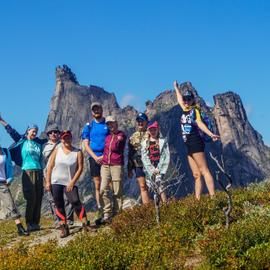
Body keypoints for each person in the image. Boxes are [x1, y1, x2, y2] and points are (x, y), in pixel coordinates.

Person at [174, 80, 220, 200]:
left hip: (195, 142)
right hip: (188, 145)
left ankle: (213, 197)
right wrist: (176, 88)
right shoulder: (185, 109)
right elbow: (179, 99)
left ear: (193, 99)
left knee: (204, 170)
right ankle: (197, 201)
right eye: (185, 99)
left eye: (189, 99)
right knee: (196, 175)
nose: (186, 101)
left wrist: (211, 134)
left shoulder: (195, 111)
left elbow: (199, 124)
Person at [0, 115, 46, 232]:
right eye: (32, 131)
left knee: (39, 196)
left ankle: (36, 223)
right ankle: (29, 222)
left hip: (39, 170)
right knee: (31, 197)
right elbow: (11, 131)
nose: (34, 133)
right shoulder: (21, 140)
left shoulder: (38, 142)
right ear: (27, 131)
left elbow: (51, 139)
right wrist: (2, 121)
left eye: (36, 131)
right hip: (27, 170)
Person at [46, 130, 94, 238]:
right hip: (56, 181)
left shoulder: (78, 152)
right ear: (61, 139)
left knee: (75, 201)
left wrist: (72, 181)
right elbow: (50, 166)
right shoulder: (57, 150)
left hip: (69, 182)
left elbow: (80, 168)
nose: (66, 140)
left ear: (71, 138)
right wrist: (48, 182)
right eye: (64, 138)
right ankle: (64, 227)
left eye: (68, 137)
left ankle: (86, 224)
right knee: (59, 204)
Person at [81, 102, 109, 222]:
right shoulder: (89, 126)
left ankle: (110, 209)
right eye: (94, 110)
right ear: (92, 113)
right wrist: (95, 157)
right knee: (97, 185)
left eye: (98, 109)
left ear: (102, 110)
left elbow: (110, 141)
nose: (96, 111)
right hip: (94, 158)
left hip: (107, 157)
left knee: (108, 184)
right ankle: (100, 209)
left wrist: (104, 155)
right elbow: (86, 144)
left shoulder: (107, 124)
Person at [43, 124, 74, 226]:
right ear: (48, 135)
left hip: (64, 174)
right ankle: (58, 220)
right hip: (51, 175)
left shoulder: (64, 144)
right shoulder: (46, 147)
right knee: (53, 199)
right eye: (51, 132)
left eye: (56, 132)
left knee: (68, 197)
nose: (53, 134)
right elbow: (48, 156)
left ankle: (69, 219)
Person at [100, 116, 126, 222]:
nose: (110, 125)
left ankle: (117, 214)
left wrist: (117, 138)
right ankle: (107, 213)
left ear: (116, 123)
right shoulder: (107, 137)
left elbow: (117, 145)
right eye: (108, 124)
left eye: (112, 123)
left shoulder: (121, 135)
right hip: (105, 165)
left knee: (117, 191)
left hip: (116, 165)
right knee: (102, 189)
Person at [0, 145, 29, 236]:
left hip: (2, 183)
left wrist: (9, 178)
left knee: (10, 204)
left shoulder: (5, 151)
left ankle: (20, 228)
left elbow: (9, 166)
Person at [141, 121, 170, 202]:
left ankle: (164, 204)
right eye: (151, 130)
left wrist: (159, 168)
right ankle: (158, 206)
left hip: (160, 166)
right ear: (148, 131)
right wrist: (151, 169)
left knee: (160, 185)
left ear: (158, 130)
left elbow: (166, 155)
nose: (153, 132)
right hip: (150, 167)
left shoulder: (163, 142)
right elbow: (144, 158)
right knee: (153, 187)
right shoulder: (145, 143)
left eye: (154, 129)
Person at [128, 113, 150, 204]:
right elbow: (130, 153)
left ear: (146, 122)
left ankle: (164, 206)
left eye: (142, 121)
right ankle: (147, 208)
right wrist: (129, 168)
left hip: (150, 164)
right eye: (138, 121)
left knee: (156, 185)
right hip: (138, 164)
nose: (140, 123)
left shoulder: (151, 132)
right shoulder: (132, 137)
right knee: (142, 186)